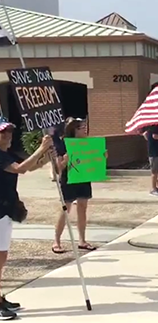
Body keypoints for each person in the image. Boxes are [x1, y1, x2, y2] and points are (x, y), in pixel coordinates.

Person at [0, 117, 53, 319]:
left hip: (6, 211)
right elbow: (19, 169)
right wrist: (41, 148)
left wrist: (45, 157)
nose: (7, 136)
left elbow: (28, 167)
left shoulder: (7, 154)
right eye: (3, 132)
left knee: (2, 257)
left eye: (9, 132)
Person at [53, 117, 103, 254]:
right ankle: (56, 241)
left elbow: (94, 160)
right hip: (69, 179)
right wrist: (66, 160)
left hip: (83, 177)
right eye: (82, 127)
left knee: (83, 207)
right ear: (74, 130)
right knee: (65, 208)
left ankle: (82, 240)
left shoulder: (87, 143)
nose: (85, 130)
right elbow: (59, 168)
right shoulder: (63, 144)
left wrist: (101, 157)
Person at [144, 124, 158, 197]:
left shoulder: (152, 128)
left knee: (157, 171)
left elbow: (145, 135)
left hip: (156, 152)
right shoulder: (154, 127)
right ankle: (153, 189)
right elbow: (155, 136)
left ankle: (156, 187)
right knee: (154, 171)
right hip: (154, 153)